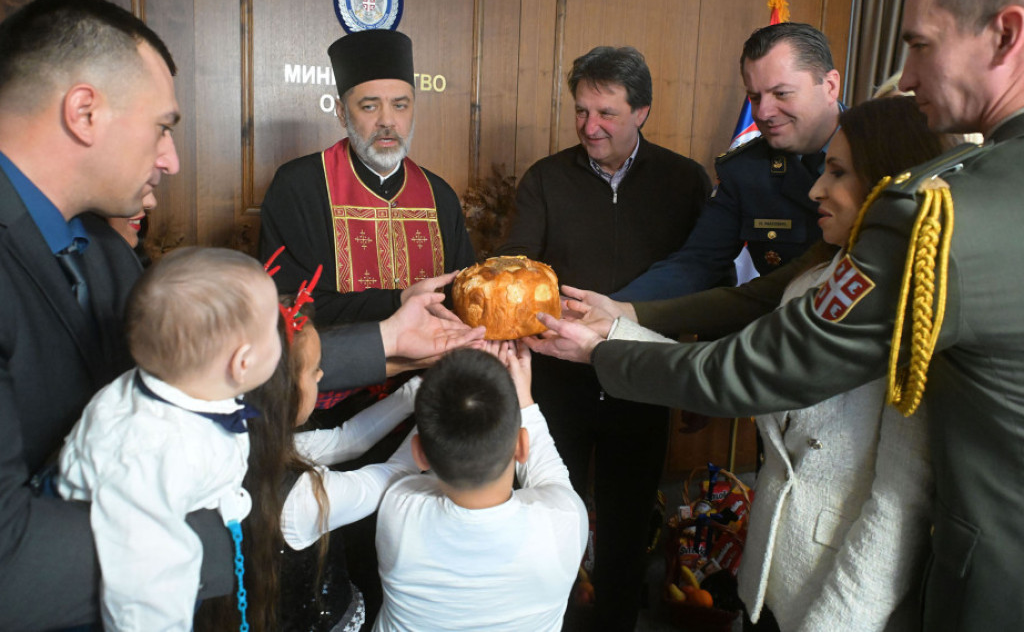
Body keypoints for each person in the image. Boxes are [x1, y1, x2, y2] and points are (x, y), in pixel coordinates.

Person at [527, 0, 1024, 630]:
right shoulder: (771, 171)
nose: (907, 75)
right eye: (752, 96)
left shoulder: (933, 205)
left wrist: (608, 345)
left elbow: (772, 361)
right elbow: (746, 288)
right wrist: (626, 313)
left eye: (919, 46)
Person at [0, 0, 483, 632]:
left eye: (401, 104)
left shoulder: (100, 248)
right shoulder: (300, 186)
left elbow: (210, 363)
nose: (170, 158)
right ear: (84, 112)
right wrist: (255, 521)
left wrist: (390, 340)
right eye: (164, 126)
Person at [594, 98, 947, 632]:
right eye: (753, 95)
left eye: (838, 172)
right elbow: (746, 311)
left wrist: (607, 341)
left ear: (892, 184)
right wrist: (616, 322)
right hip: (774, 576)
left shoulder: (917, 305)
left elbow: (900, 507)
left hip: (841, 600)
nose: (814, 192)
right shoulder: (818, 276)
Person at [497, 45, 711, 630]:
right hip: (557, 380)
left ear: (641, 111)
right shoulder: (546, 179)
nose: (591, 127)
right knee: (546, 517)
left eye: (607, 113)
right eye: (581, 111)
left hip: (644, 380)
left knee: (627, 525)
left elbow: (707, 274)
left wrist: (698, 379)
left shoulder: (685, 181)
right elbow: (514, 267)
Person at [58, 247, 281, 631]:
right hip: (104, 576)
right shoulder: (153, 452)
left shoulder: (187, 383)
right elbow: (144, 578)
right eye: (275, 326)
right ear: (241, 363)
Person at [203, 294, 423, 632]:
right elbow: (390, 476)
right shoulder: (300, 499)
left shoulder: (241, 442)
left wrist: (416, 390)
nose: (321, 374)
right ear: (282, 392)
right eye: (313, 370)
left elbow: (344, 439)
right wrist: (439, 409)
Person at [259, 28, 476, 329]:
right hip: (334, 371)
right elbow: (289, 304)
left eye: (400, 105)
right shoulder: (298, 188)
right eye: (370, 106)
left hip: (433, 370)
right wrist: (397, 301)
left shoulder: (440, 196)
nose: (387, 121)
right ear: (342, 113)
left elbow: (465, 298)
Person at [613, 23, 843, 302]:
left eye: (781, 93)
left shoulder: (881, 151)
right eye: (755, 97)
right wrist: (612, 309)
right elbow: (696, 264)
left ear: (830, 86)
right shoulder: (746, 170)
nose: (764, 112)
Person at [374, 344, 588, 632]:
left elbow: (417, 464)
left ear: (420, 453)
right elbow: (550, 476)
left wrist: (447, 392)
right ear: (522, 446)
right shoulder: (564, 521)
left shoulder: (398, 510)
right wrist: (523, 397)